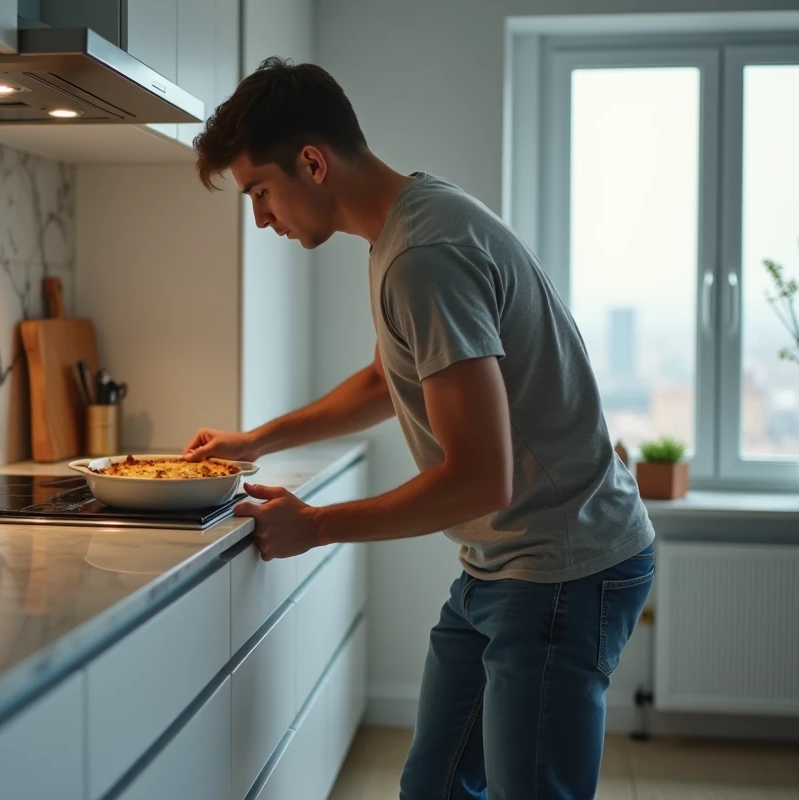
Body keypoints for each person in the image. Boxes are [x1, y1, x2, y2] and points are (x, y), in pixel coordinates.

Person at [183, 56, 655, 800]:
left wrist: (319, 526)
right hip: (504, 563)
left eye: (259, 192)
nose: (261, 217)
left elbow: (478, 477)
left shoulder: (423, 255)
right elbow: (388, 379)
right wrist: (255, 441)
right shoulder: (410, 225)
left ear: (312, 162)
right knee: (432, 788)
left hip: (563, 569)